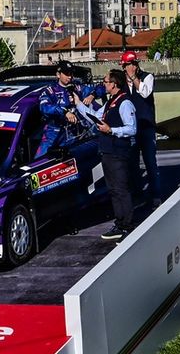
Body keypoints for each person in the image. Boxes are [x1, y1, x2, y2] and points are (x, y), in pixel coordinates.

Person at [72, 69, 137, 241]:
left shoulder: (124, 103)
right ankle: (120, 222)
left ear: (114, 84)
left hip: (118, 152)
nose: (104, 84)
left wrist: (111, 130)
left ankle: (128, 225)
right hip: (107, 151)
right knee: (113, 190)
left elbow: (131, 128)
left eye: (106, 81)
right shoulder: (110, 102)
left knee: (121, 189)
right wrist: (79, 104)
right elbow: (94, 116)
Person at [121, 51, 159, 208]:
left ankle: (156, 194)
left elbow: (145, 93)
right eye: (128, 64)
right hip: (131, 128)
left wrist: (134, 78)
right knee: (132, 163)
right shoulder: (121, 82)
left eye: (134, 63)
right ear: (123, 66)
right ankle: (137, 195)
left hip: (146, 126)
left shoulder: (147, 77)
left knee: (150, 161)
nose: (132, 67)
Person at [37, 61, 80, 158]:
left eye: (71, 74)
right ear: (58, 74)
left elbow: (100, 88)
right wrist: (64, 112)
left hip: (71, 133)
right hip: (53, 131)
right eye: (66, 74)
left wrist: (92, 95)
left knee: (74, 163)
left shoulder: (77, 88)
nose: (70, 77)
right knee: (40, 161)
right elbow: (44, 107)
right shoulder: (50, 90)